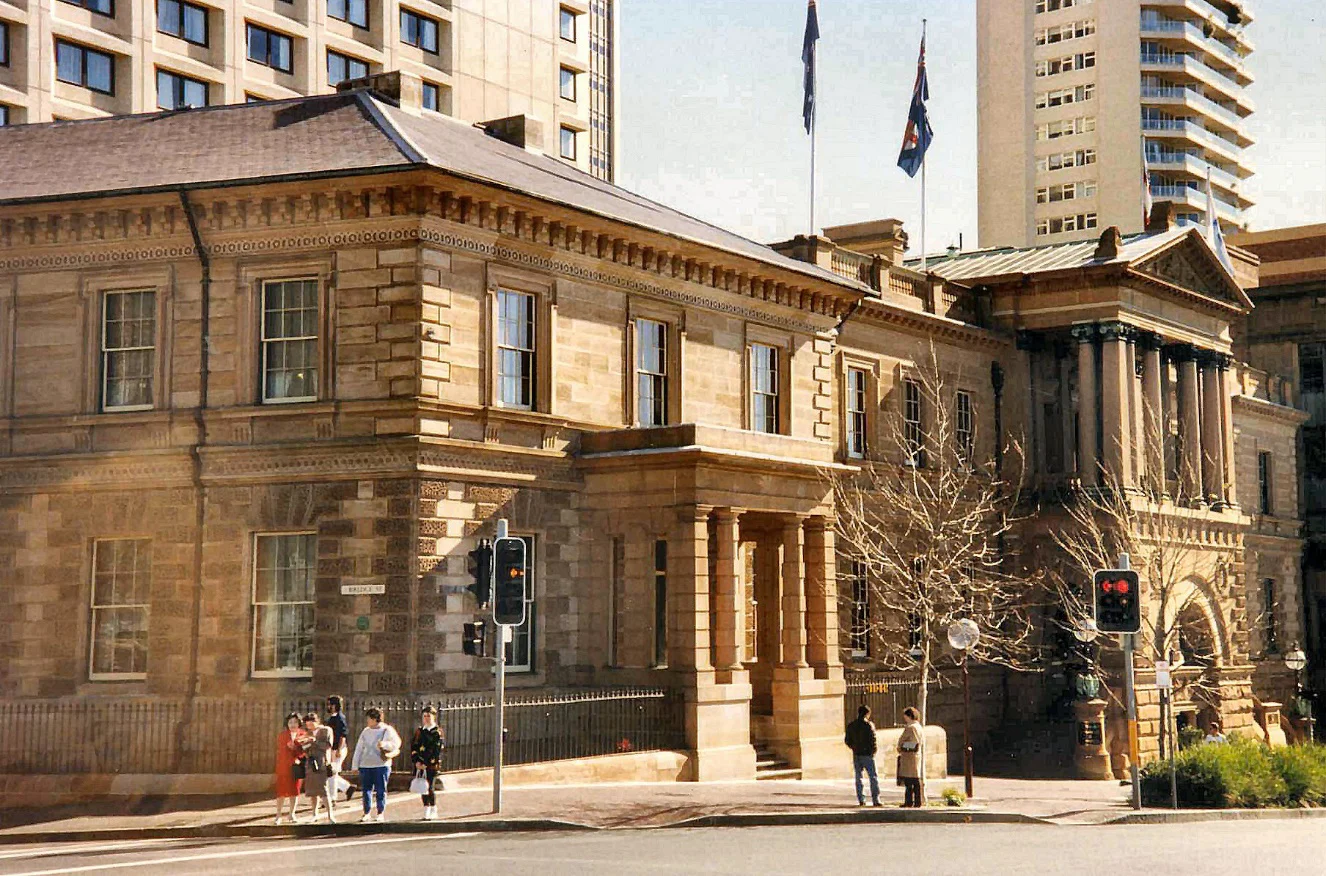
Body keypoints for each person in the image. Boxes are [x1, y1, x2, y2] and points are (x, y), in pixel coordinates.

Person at [351, 707, 401, 823]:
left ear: (375, 719)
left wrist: (385, 744)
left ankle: (380, 812)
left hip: (381, 765)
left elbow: (396, 744)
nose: (367, 721)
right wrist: (355, 765)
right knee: (366, 790)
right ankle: (367, 812)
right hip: (366, 765)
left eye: (369, 718)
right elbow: (359, 748)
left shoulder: (387, 730)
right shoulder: (365, 731)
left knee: (380, 789)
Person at [410, 705, 446, 821]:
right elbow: (414, 746)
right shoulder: (420, 731)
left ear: (434, 717)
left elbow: (436, 750)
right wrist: (416, 761)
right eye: (424, 716)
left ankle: (433, 808)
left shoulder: (437, 732)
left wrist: (427, 762)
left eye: (428, 716)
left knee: (429, 786)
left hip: (431, 764)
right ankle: (426, 809)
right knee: (422, 787)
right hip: (420, 764)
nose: (426, 718)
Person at [299, 712, 336, 823]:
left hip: (321, 762)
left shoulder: (326, 730)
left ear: (317, 721)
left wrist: (314, 741)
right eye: (307, 724)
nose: (309, 726)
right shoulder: (307, 733)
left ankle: (330, 815)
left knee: (323, 790)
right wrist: (305, 744)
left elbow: (327, 745)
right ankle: (315, 814)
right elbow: (304, 748)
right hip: (310, 763)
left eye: (311, 723)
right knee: (312, 791)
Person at [844, 704, 881, 807]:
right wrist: (873, 751)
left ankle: (861, 799)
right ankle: (876, 799)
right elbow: (873, 740)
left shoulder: (851, 725)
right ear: (867, 714)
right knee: (873, 777)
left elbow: (847, 740)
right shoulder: (869, 725)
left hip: (857, 753)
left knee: (858, 777)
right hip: (868, 754)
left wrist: (854, 747)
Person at [274, 712, 307, 825]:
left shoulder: (303, 735)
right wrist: (287, 747)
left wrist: (296, 750)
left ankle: (292, 813)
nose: (292, 725)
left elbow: (304, 752)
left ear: (299, 724)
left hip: (296, 766)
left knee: (295, 790)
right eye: (290, 722)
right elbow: (280, 749)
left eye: (295, 722)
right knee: (281, 791)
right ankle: (278, 815)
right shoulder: (282, 735)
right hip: (283, 766)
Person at [324, 695, 350, 815]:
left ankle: (332, 798)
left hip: (337, 748)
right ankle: (347, 788)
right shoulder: (333, 717)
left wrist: (339, 749)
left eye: (330, 704)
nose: (328, 706)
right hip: (333, 749)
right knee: (331, 773)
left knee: (332, 774)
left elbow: (342, 735)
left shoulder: (340, 718)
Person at [897, 706, 924, 809]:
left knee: (910, 781)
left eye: (905, 717)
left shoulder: (911, 727)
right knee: (914, 780)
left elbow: (914, 743)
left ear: (909, 716)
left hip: (909, 756)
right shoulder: (918, 727)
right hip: (914, 757)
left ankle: (910, 802)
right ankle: (915, 801)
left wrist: (901, 747)